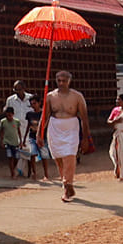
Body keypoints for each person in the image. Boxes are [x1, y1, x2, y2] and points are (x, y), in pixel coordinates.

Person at [43, 70, 88, 201]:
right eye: (59, 80)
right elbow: (44, 117)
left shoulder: (77, 96)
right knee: (58, 157)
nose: (61, 83)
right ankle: (66, 182)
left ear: (69, 81)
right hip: (54, 127)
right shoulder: (50, 96)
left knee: (69, 155)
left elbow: (84, 118)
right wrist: (39, 134)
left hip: (71, 127)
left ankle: (68, 185)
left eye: (64, 80)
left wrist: (85, 138)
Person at [0, 107, 28, 181]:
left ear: (13, 114)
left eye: (10, 115)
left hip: (15, 142)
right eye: (7, 115)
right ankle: (12, 173)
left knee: (16, 158)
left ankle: (13, 169)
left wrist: (21, 141)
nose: (9, 117)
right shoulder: (3, 122)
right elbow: (1, 132)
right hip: (7, 142)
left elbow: (19, 132)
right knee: (10, 157)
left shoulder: (16, 121)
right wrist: (2, 141)